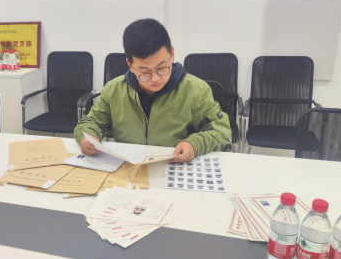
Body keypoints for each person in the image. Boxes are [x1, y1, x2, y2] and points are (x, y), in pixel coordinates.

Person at [74, 19, 231, 162]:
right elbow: (91, 122)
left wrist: (194, 144)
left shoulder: (196, 91)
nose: (155, 79)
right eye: (144, 71)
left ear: (172, 54)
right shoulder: (114, 90)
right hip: (128, 168)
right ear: (130, 65)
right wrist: (88, 137)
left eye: (162, 68)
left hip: (173, 168)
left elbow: (222, 133)